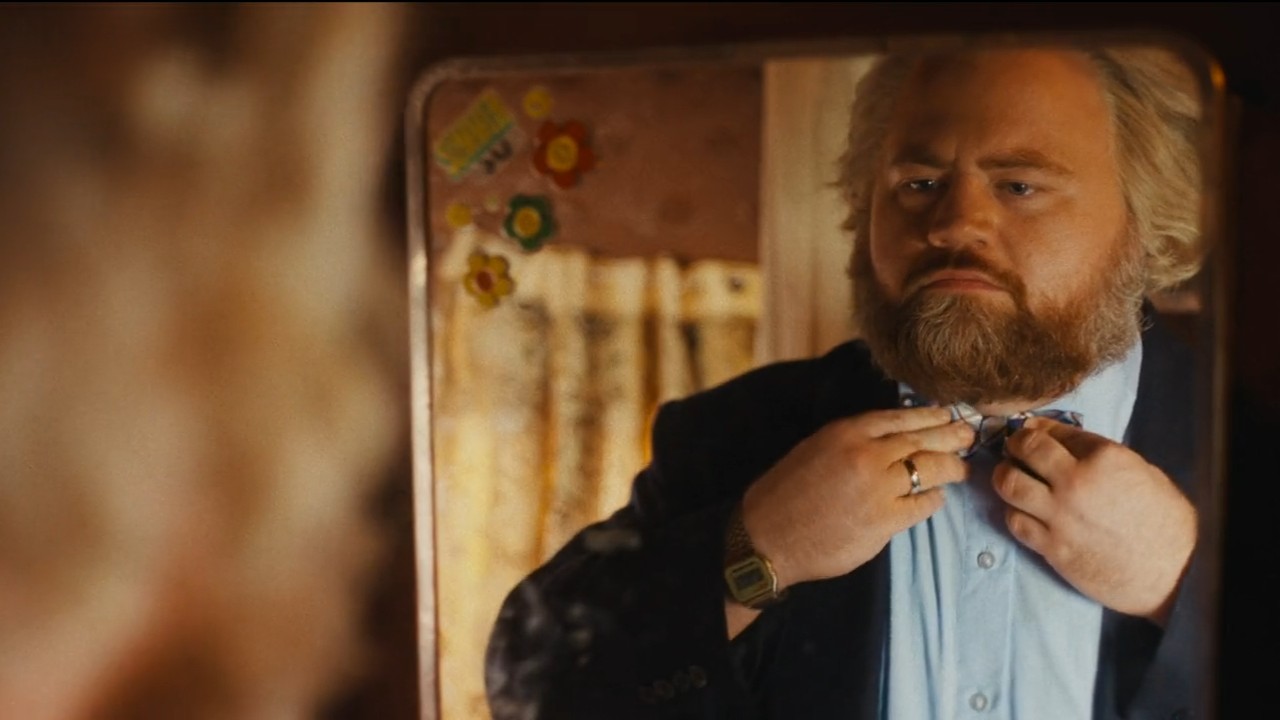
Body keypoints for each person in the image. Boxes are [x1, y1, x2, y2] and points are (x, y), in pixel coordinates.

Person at [485, 42, 1206, 720]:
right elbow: (531, 689)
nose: (955, 223)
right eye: (919, 184)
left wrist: (1184, 588)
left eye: (1019, 185)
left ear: (1146, 221)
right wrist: (755, 551)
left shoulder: (1248, 444)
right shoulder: (733, 435)